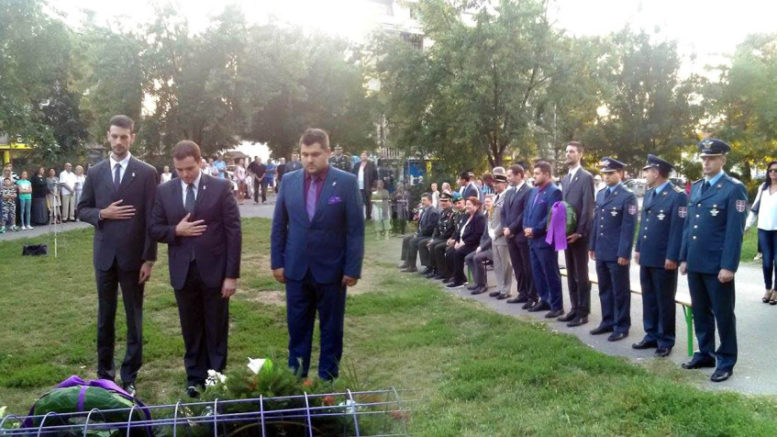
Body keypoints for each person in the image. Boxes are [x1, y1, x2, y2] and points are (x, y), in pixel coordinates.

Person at [270, 128, 365, 381]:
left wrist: (352, 268)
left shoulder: (345, 182)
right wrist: (277, 262)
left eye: (315, 154)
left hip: (332, 270)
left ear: (328, 152)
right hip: (296, 269)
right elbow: (279, 225)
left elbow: (355, 230)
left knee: (331, 330)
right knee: (297, 329)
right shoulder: (288, 181)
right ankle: (296, 381)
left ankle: (326, 383)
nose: (309, 160)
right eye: (304, 154)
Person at [150, 140, 241, 398]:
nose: (185, 174)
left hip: (215, 270)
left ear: (200, 162)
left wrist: (231, 275)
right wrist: (176, 231)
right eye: (179, 170)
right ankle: (194, 376)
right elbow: (154, 228)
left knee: (216, 326)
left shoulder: (220, 188)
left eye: (189, 168)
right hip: (183, 271)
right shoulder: (164, 191)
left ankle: (216, 376)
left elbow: (233, 232)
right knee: (190, 327)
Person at [77, 114, 158, 396]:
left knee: (134, 317)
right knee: (105, 316)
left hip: (134, 259)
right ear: (108, 137)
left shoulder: (146, 172)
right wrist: (103, 213)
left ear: (132, 137)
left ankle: (130, 375)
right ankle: (105, 375)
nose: (119, 142)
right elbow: (82, 209)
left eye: (124, 137)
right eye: (114, 136)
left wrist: (149, 258)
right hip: (104, 257)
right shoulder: (96, 172)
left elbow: (152, 219)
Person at [679, 138, 747, 383]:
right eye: (704, 158)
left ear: (723, 160)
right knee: (700, 312)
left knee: (723, 314)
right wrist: (684, 257)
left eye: (712, 158)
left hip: (718, 265)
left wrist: (728, 266)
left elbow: (734, 232)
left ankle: (726, 361)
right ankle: (705, 353)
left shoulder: (733, 188)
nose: (706, 163)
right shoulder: (697, 187)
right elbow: (689, 226)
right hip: (696, 262)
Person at [633, 154, 687, 357]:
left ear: (656, 173)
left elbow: (678, 229)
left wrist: (673, 256)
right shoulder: (650, 193)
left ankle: (665, 340)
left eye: (647, 171)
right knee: (649, 297)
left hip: (664, 258)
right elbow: (644, 224)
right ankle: (651, 334)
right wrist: (638, 247)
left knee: (664, 300)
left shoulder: (677, 195)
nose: (645, 175)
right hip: (648, 254)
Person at [588, 158, 637, 342]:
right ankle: (607, 321)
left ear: (620, 174)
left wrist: (624, 252)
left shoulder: (627, 196)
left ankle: (621, 326)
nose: (606, 177)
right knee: (604, 289)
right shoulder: (601, 194)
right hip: (601, 250)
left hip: (616, 253)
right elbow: (596, 222)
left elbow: (628, 227)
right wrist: (592, 245)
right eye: (605, 173)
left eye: (610, 173)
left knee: (620, 291)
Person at [558, 141, 596, 326]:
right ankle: (574, 308)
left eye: (572, 151)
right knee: (570, 272)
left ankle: (583, 312)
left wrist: (580, 232)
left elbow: (588, 206)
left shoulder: (586, 177)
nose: (568, 154)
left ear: (580, 154)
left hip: (579, 236)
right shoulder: (565, 179)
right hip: (566, 234)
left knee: (581, 274)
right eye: (566, 151)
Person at [523, 161, 564, 318]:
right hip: (532, 240)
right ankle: (545, 299)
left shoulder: (554, 192)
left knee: (550, 273)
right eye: (534, 174)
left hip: (545, 240)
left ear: (547, 174)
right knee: (538, 273)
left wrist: (535, 230)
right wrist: (525, 227)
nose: (534, 176)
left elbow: (551, 216)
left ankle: (557, 305)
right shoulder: (534, 191)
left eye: (537, 173)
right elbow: (527, 212)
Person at [501, 164, 537, 307]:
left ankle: (532, 296)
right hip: (510, 236)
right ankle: (522, 293)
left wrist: (511, 229)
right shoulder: (509, 192)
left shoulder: (528, 191)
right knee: (517, 267)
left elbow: (524, 213)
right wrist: (505, 227)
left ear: (519, 175)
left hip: (521, 235)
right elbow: (504, 212)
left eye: (510, 175)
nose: (508, 178)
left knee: (527, 267)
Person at [746, 160, 777, 304]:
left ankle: (776, 291)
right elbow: (755, 208)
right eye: (771, 170)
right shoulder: (763, 187)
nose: (773, 173)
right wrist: (747, 226)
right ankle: (768, 288)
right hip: (764, 229)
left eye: (776, 170)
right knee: (767, 262)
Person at [446, 196, 486, 288]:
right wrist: (457, 241)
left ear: (476, 206)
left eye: (469, 204)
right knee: (450, 252)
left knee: (458, 253)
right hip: (464, 243)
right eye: (466, 204)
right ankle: (458, 277)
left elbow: (478, 235)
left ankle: (459, 280)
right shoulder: (467, 215)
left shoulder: (479, 217)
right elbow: (459, 231)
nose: (467, 206)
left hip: (475, 244)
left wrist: (464, 243)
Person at [398, 193, 438, 272]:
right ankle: (407, 262)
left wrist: (418, 234)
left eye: (424, 200)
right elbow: (421, 225)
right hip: (422, 234)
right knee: (406, 239)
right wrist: (417, 233)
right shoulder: (425, 210)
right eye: (421, 200)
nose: (422, 202)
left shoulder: (433, 212)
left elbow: (430, 228)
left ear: (430, 201)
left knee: (413, 241)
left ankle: (412, 266)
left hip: (428, 235)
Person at [486, 174, 512, 299]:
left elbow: (505, 218)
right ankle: (500, 287)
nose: (495, 185)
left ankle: (506, 290)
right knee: (497, 263)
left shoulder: (506, 196)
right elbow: (492, 215)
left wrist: (496, 232)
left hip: (501, 236)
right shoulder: (496, 196)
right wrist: (490, 229)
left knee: (505, 264)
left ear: (504, 184)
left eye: (498, 183)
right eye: (494, 183)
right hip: (494, 236)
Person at [420, 192, 456, 277]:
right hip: (441, 237)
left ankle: (440, 271)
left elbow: (450, 230)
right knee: (430, 244)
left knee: (435, 246)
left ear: (450, 201)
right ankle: (433, 268)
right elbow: (436, 228)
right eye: (442, 201)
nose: (443, 203)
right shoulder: (442, 212)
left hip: (448, 238)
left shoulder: (453, 213)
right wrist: (433, 238)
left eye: (445, 201)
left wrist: (436, 239)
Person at [466, 195, 494, 294]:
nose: (486, 203)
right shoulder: (486, 215)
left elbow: (492, 237)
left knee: (476, 258)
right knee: (468, 258)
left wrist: (482, 247)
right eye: (485, 202)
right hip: (484, 246)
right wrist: (480, 246)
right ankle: (477, 282)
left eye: (489, 201)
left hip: (492, 247)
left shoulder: (494, 215)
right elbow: (484, 235)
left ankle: (483, 285)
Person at [352, 152, 378, 220]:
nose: (363, 156)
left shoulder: (371, 164)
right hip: (358, 186)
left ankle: (368, 216)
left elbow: (376, 176)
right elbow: (352, 174)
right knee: (359, 202)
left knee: (368, 202)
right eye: (362, 155)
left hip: (368, 186)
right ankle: (359, 216)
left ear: (367, 156)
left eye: (365, 155)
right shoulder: (357, 165)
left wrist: (374, 186)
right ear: (360, 156)